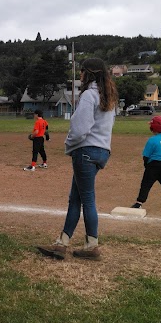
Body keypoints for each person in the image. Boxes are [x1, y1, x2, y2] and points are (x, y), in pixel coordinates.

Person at [37, 57, 118, 260]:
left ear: (88, 73)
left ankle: (91, 245)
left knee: (86, 200)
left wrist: (70, 144)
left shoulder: (89, 95)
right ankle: (62, 243)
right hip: (101, 151)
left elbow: (80, 129)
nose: (79, 75)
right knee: (76, 198)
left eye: (81, 71)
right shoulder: (107, 96)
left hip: (86, 152)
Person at [131, 115, 161, 210]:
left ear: (153, 127)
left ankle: (139, 203)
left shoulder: (152, 140)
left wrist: (147, 166)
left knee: (146, 183)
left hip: (154, 165)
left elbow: (146, 156)